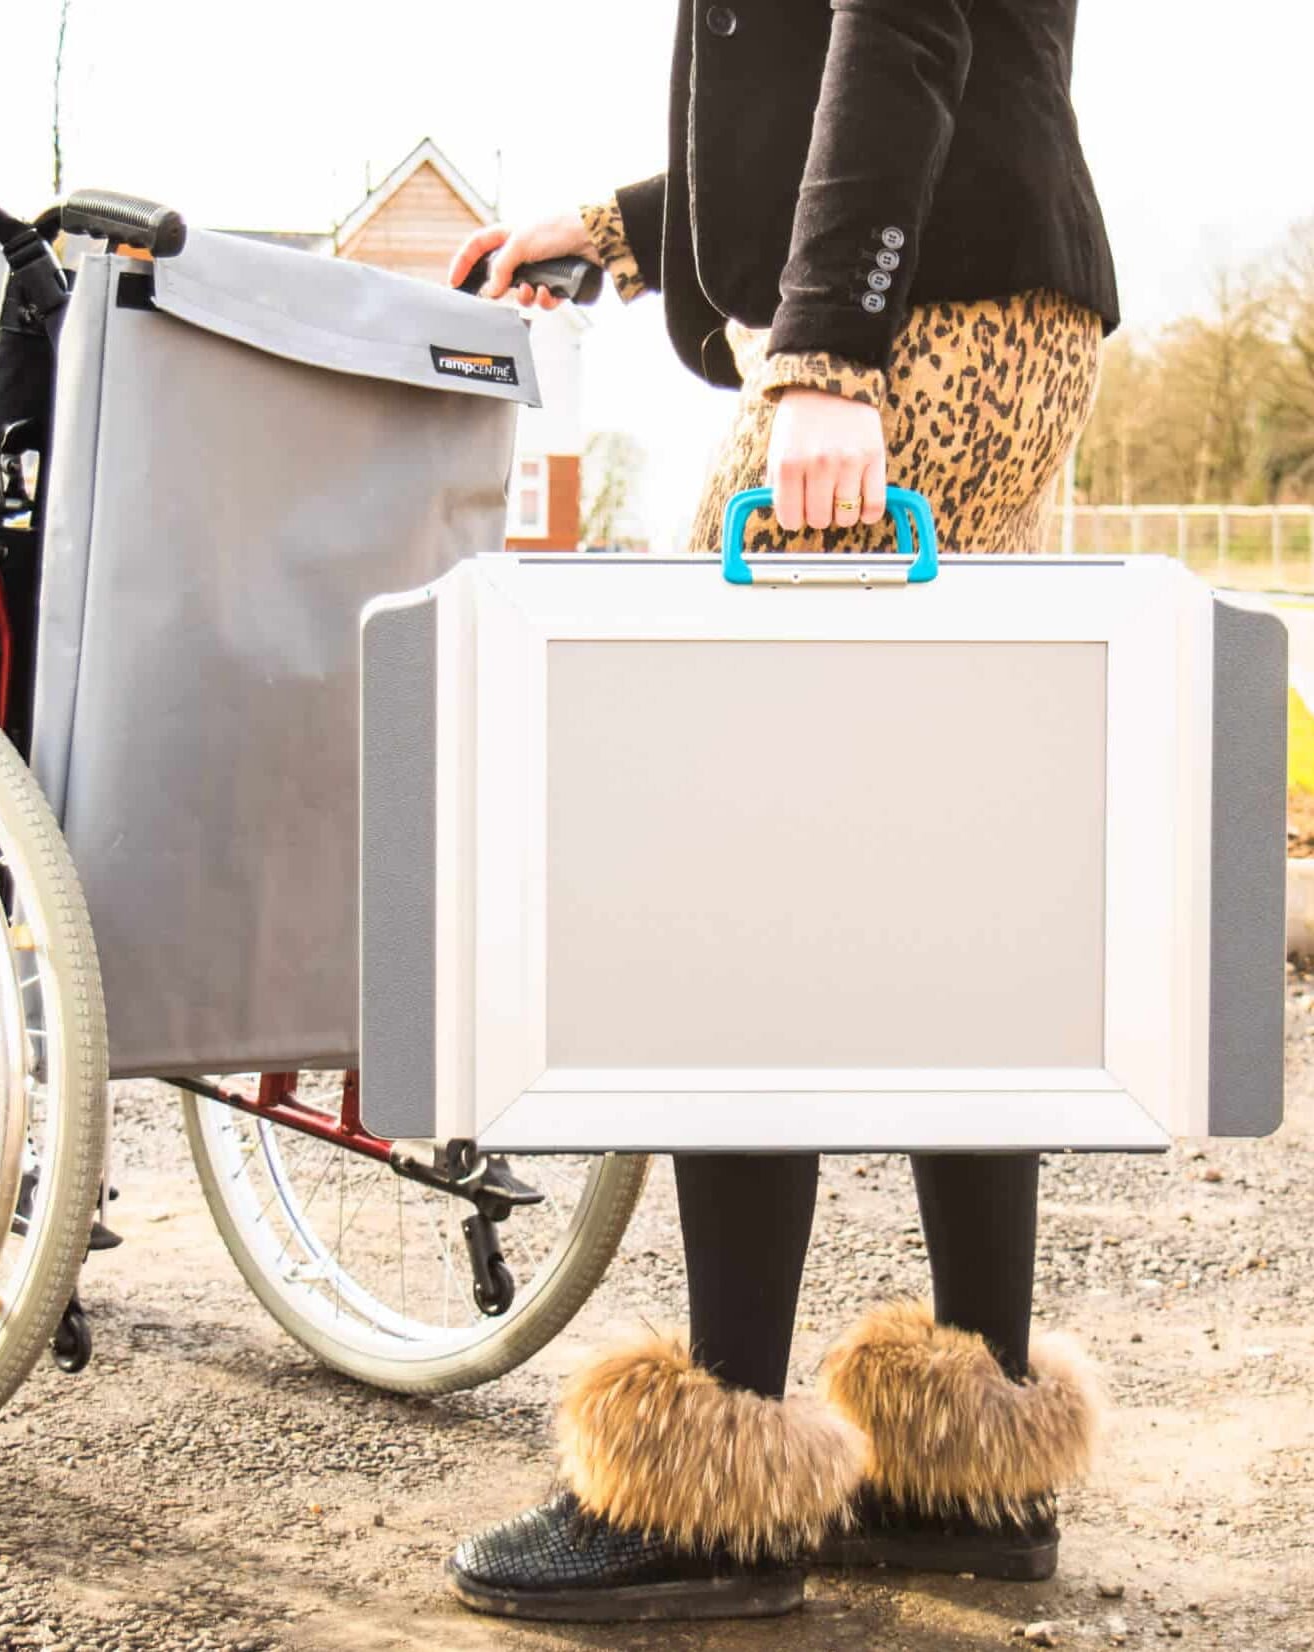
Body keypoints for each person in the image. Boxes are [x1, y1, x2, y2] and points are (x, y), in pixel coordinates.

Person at [442, 0, 1118, 1625]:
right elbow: (824, 71)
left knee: (727, 845)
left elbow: (904, 23)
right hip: (995, 303)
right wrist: (617, 225)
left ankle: (721, 1490)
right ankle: (978, 1459)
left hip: (922, 323)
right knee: (939, 871)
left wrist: (822, 353)